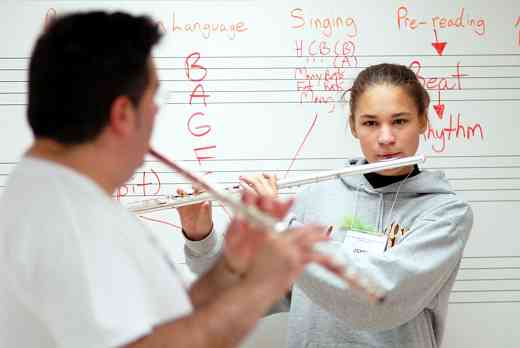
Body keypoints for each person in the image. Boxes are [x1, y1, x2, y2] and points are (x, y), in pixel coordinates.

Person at [0, 11, 347, 348]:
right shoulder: (68, 217)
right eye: (156, 97)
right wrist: (262, 283)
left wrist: (229, 268)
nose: (156, 111)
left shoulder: (60, 193)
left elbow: (159, 324)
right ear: (123, 114)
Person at [181, 63, 473, 348]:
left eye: (400, 121)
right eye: (370, 123)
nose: (386, 138)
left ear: (423, 121)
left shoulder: (446, 214)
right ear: (354, 127)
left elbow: (379, 300)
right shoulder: (314, 198)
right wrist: (200, 238)